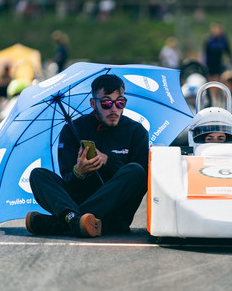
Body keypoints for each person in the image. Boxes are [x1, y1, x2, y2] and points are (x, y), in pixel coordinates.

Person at [26, 74, 149, 237]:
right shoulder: (73, 130)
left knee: (137, 170)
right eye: (106, 103)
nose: (114, 109)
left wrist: (107, 161)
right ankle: (79, 221)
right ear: (93, 103)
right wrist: (79, 171)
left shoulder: (136, 131)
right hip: (80, 197)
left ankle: (68, 221)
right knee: (37, 175)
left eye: (120, 102)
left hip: (116, 212)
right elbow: (69, 179)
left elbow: (141, 181)